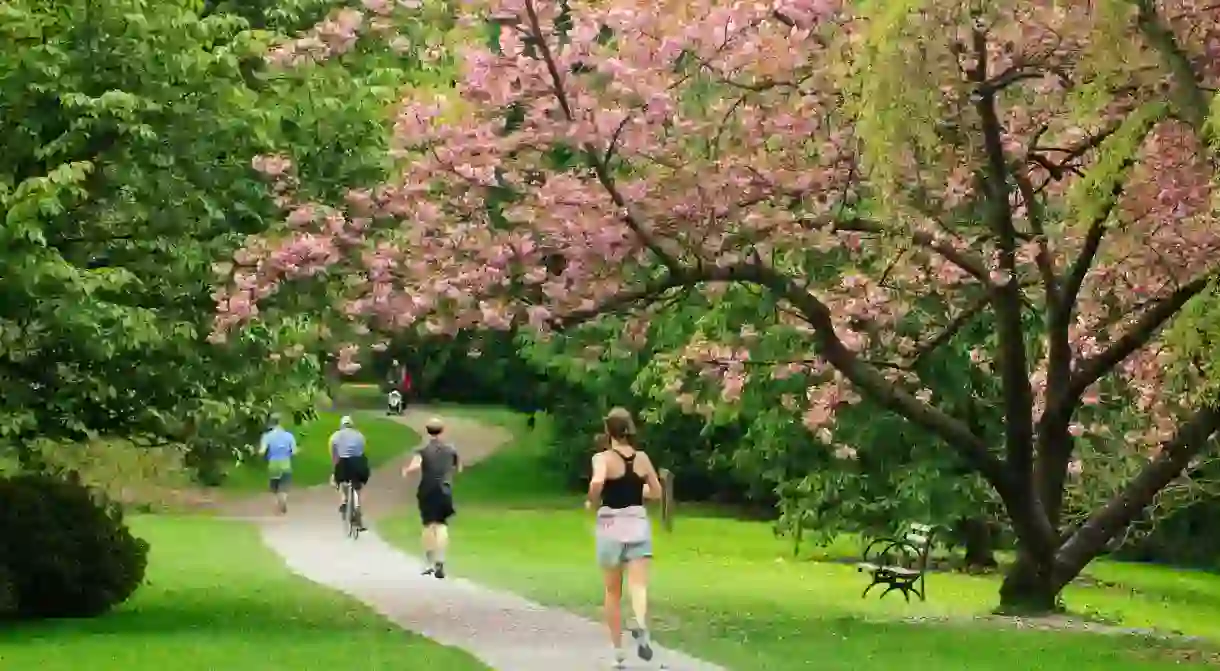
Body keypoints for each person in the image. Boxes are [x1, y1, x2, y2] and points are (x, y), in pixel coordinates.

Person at [586, 407, 663, 668]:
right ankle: (641, 625)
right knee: (638, 585)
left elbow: (597, 483)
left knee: (612, 591)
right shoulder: (642, 458)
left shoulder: (603, 458)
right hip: (637, 523)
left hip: (611, 525)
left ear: (608, 431)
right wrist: (638, 488)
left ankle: (618, 653)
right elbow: (657, 492)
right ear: (629, 430)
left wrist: (591, 500)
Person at [402, 417, 461, 579]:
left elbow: (416, 465)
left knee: (428, 525)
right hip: (445, 489)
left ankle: (429, 562)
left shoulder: (423, 450)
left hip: (427, 489)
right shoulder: (451, 450)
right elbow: (458, 468)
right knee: (441, 525)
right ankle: (440, 561)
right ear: (442, 430)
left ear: (427, 431)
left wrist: (406, 470)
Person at [330, 415, 371, 531]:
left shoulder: (335, 436)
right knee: (358, 486)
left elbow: (335, 455)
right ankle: (357, 508)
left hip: (344, 462)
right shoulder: (360, 436)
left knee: (339, 481)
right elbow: (362, 451)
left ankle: (343, 499)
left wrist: (335, 468)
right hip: (358, 462)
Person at [260, 413, 298, 514]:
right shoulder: (289, 436)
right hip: (285, 463)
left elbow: (262, 451)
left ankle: (277, 503)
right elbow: (294, 452)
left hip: (273, 464)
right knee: (285, 485)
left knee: (274, 486)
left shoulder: (267, 436)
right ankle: (283, 500)